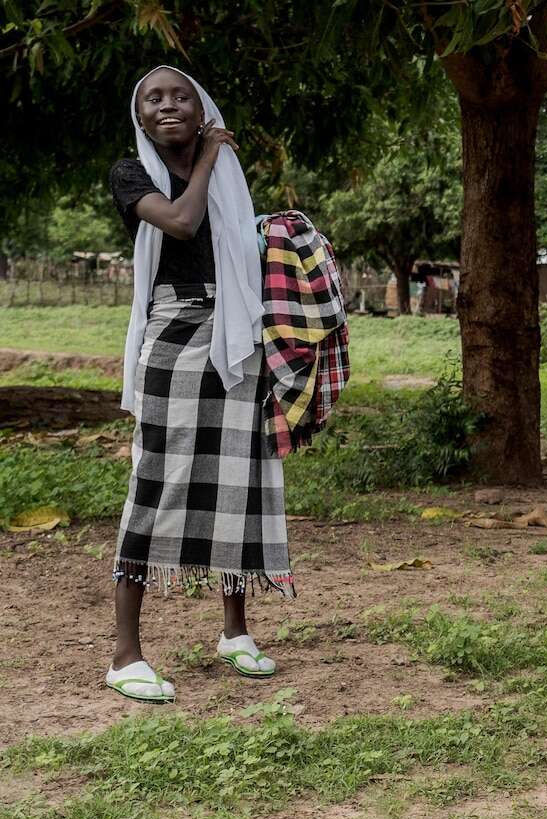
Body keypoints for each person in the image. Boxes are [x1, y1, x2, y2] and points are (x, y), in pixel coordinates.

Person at [104, 66, 294, 703]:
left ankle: (235, 632)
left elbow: (244, 250)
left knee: (236, 476)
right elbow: (181, 224)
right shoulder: (131, 176)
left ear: (200, 104)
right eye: (152, 99)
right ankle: (125, 653)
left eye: (179, 96)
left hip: (236, 332)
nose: (167, 106)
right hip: (173, 334)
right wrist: (212, 153)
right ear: (140, 115)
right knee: (156, 478)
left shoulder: (230, 181)